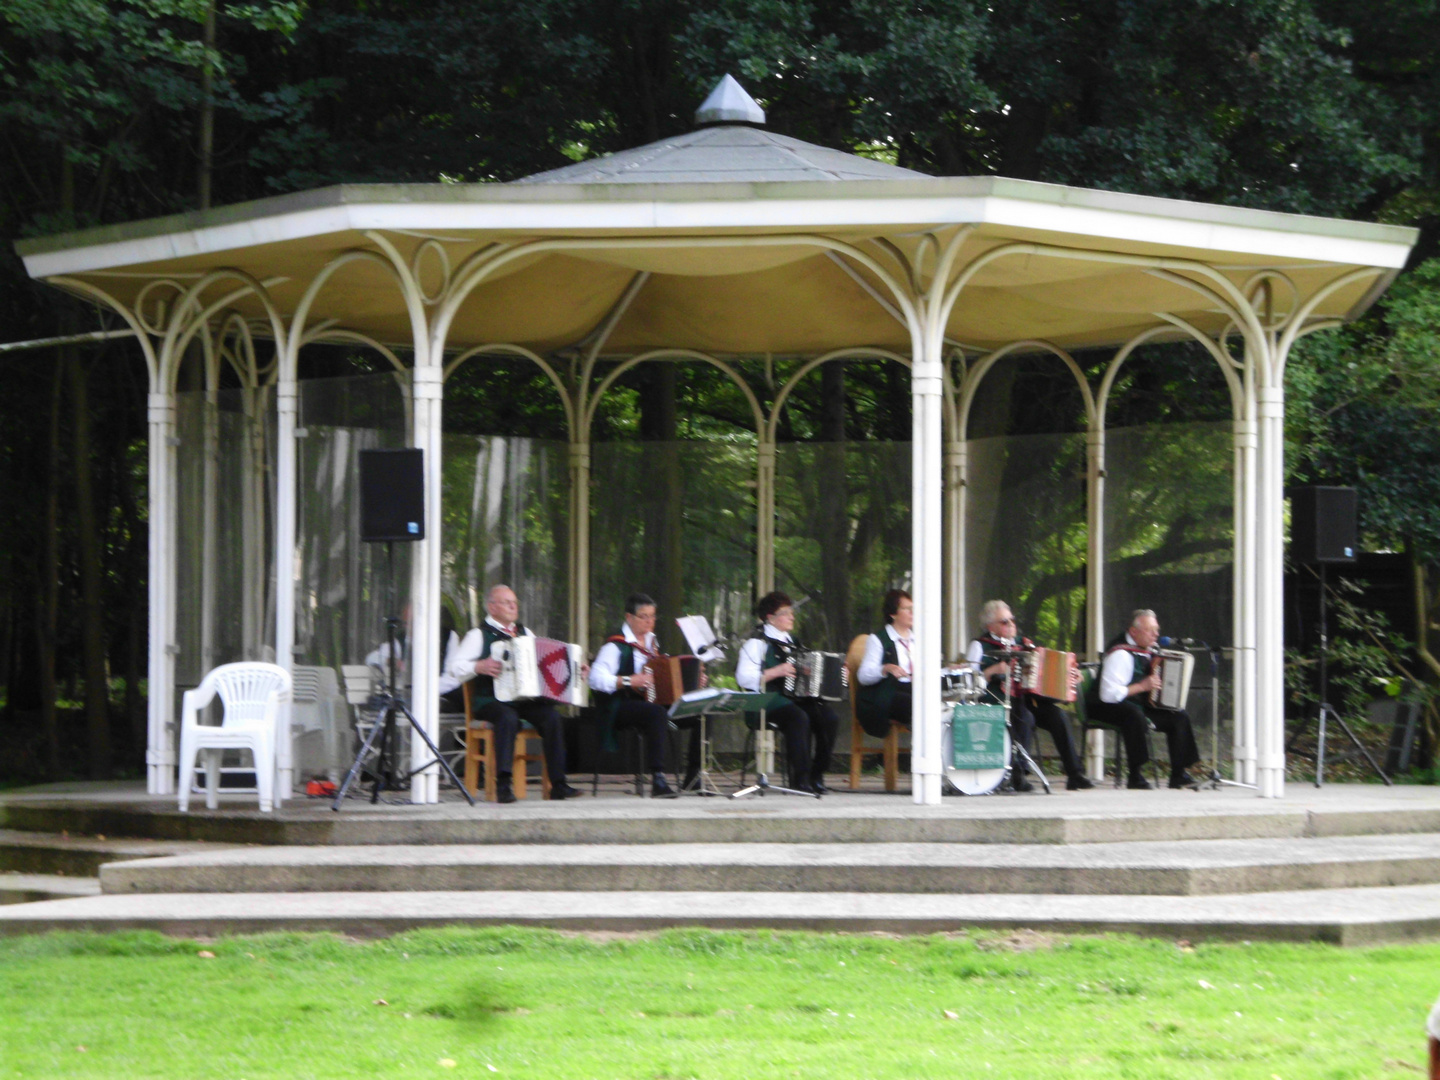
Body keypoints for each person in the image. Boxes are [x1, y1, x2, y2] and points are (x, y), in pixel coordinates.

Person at [448, 584, 583, 803]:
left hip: (522, 700)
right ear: (492, 607)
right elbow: (454, 667)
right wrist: (478, 666)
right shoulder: (478, 635)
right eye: (506, 602)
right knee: (507, 718)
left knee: (552, 717)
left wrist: (574, 669)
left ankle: (558, 784)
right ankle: (503, 784)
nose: (513, 606)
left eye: (514, 602)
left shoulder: (525, 633)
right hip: (489, 700)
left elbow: (542, 664)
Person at [965, 599, 1092, 792]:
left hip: (1025, 698)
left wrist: (1070, 676)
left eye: (1012, 620)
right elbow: (969, 681)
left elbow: (1044, 669)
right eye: (1004, 622)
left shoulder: (1024, 645)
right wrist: (992, 670)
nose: (1011, 625)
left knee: (1058, 716)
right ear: (990, 625)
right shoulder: (979, 646)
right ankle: (1018, 775)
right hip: (995, 700)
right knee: (1025, 717)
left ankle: (1074, 774)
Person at [589, 592, 704, 797]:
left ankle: (693, 777)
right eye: (644, 616)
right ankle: (658, 779)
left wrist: (694, 683)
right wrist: (629, 680)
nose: (650, 622)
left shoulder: (652, 643)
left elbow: (662, 678)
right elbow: (595, 679)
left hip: (651, 704)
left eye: (653, 616)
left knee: (701, 713)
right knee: (656, 713)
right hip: (620, 706)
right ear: (629, 618)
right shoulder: (615, 645)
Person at [735, 590, 840, 794]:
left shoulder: (794, 642)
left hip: (794, 699)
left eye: (791, 612)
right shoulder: (757, 643)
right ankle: (799, 778)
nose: (792, 616)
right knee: (798, 717)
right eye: (786, 613)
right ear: (770, 618)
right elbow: (743, 678)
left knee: (829, 717)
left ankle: (816, 774)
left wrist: (830, 672)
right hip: (766, 701)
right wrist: (776, 671)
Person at [1086, 608, 1202, 790]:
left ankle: (1179, 774)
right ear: (1133, 632)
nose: (1156, 634)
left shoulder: (1148, 649)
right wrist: (1143, 686)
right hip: (1104, 706)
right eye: (1150, 630)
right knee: (1134, 715)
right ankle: (1135, 775)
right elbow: (1107, 695)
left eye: (1157, 629)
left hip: (1135, 702)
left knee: (1178, 716)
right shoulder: (1120, 654)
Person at [855, 588, 914, 738]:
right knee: (917, 704)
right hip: (889, 692)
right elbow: (863, 676)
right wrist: (885, 668)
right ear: (893, 614)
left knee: (940, 702)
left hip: (912, 688)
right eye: (906, 609)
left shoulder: (917, 640)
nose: (912, 612)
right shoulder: (878, 639)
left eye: (912, 608)